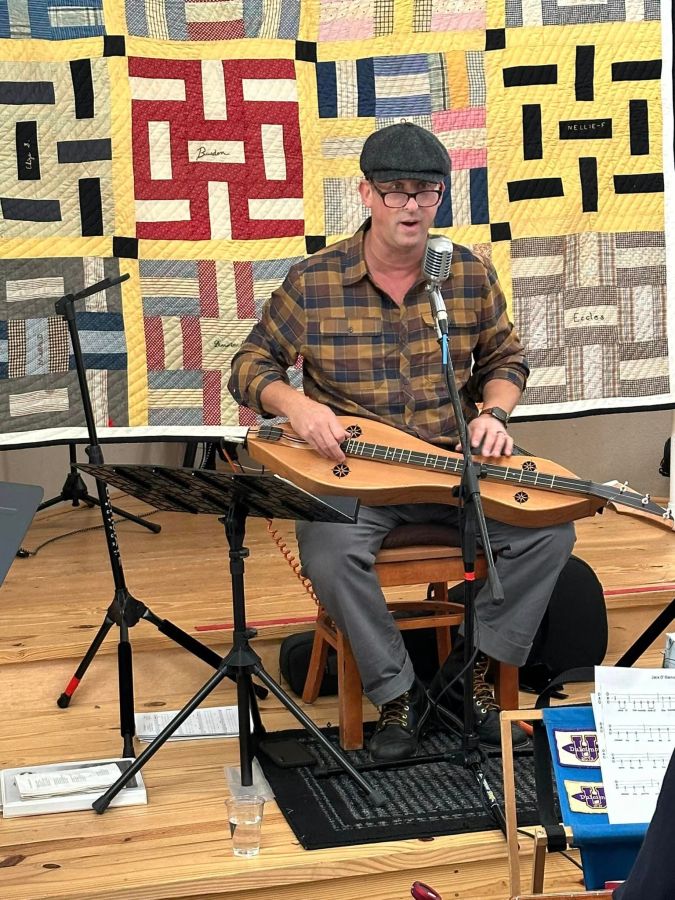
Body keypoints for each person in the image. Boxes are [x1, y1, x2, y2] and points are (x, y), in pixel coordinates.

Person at [229, 121, 575, 763]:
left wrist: (494, 414)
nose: (411, 206)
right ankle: (398, 693)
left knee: (549, 531)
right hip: (358, 474)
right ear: (366, 194)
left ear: (440, 196)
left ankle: (471, 676)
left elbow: (506, 359)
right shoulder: (314, 281)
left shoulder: (465, 274)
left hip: (453, 466)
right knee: (329, 552)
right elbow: (248, 366)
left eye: (426, 191)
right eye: (395, 191)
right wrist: (299, 406)